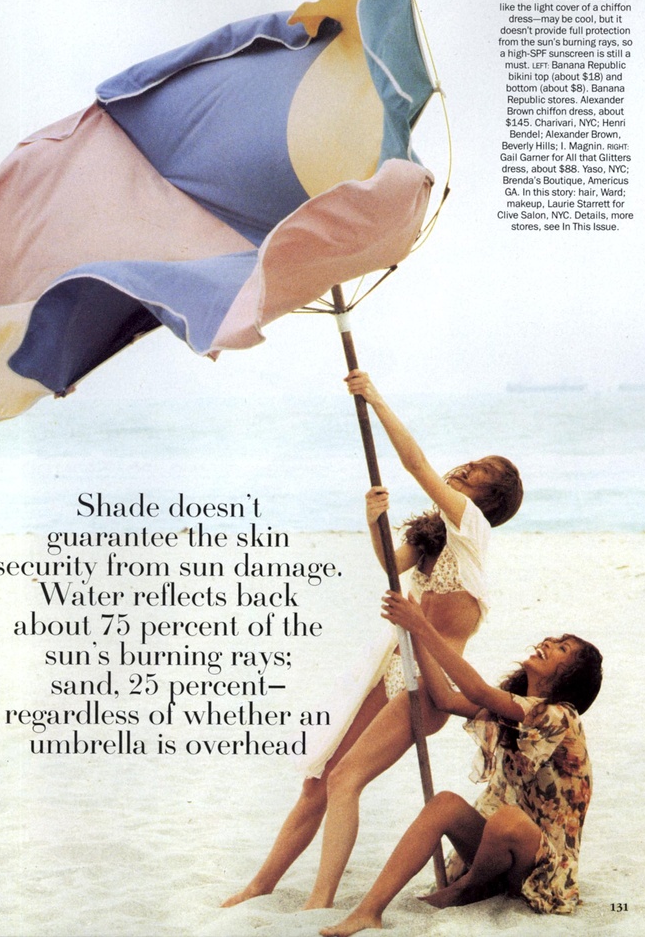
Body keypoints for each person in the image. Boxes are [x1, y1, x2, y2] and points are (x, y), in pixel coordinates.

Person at [222, 370, 523, 910]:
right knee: (320, 780)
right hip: (391, 666)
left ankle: (320, 900)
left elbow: (415, 464)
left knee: (346, 779)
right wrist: (372, 522)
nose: (467, 467)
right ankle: (261, 884)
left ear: (491, 496)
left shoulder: (473, 527)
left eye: (482, 470)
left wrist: (374, 398)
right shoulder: (435, 534)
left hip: (430, 685)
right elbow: (390, 563)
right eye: (472, 461)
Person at [319, 592, 603, 936]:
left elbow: (478, 691)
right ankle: (369, 910)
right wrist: (414, 637)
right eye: (555, 640)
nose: (549, 643)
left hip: (543, 869)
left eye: (562, 648)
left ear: (570, 677)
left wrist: (422, 626)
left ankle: (465, 889)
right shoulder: (514, 707)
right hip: (499, 854)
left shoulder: (560, 716)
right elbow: (445, 698)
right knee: (444, 804)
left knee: (508, 819)